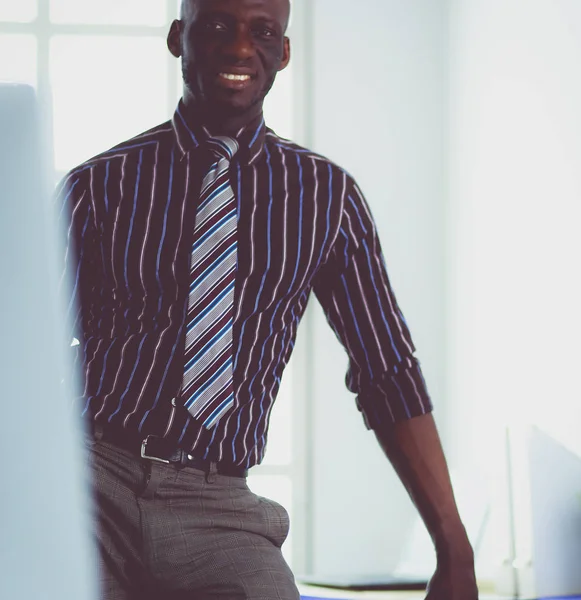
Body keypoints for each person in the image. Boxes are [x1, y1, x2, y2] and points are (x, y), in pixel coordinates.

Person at [57, 0, 479, 598]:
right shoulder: (97, 186)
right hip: (89, 488)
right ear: (179, 37)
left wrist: (454, 549)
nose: (238, 49)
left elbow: (388, 371)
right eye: (217, 27)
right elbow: (24, 356)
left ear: (283, 51)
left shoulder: (327, 200)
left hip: (218, 506)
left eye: (261, 31)